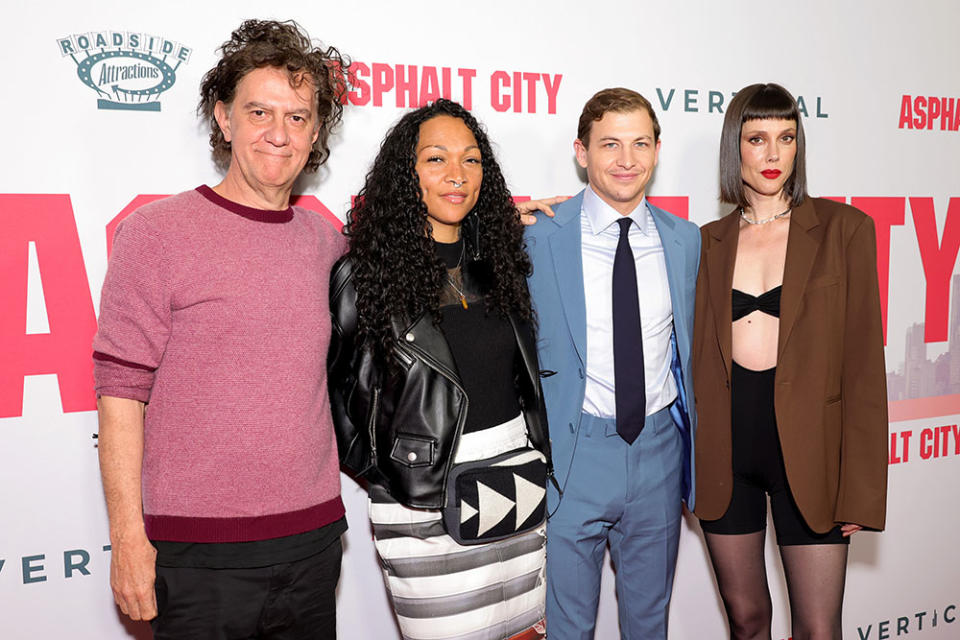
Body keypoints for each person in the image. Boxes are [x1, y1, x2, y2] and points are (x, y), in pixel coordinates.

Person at [93, 20, 350, 638]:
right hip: (196, 555)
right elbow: (120, 393)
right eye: (259, 111)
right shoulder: (156, 233)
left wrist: (498, 219)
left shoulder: (328, 242)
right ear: (224, 118)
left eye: (297, 116)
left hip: (313, 542)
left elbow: (417, 248)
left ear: (315, 132)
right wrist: (128, 538)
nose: (278, 134)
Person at [328, 99, 552, 640]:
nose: (456, 175)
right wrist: (396, 477)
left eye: (471, 160)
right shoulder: (364, 277)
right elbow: (339, 402)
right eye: (436, 159)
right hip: (422, 504)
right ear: (408, 174)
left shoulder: (500, 265)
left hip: (516, 489)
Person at [693, 82, 888, 639]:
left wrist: (861, 487)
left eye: (786, 137)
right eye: (757, 139)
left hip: (812, 456)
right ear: (736, 148)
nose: (773, 154)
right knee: (747, 621)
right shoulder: (705, 243)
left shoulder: (843, 230)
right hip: (727, 457)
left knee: (819, 629)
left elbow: (864, 372)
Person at [525, 88, 699, 639]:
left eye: (640, 143)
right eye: (610, 144)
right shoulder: (537, 236)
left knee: (649, 625)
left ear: (657, 149)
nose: (627, 159)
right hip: (572, 457)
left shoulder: (685, 241)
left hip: (658, 456)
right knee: (568, 628)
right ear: (582, 152)